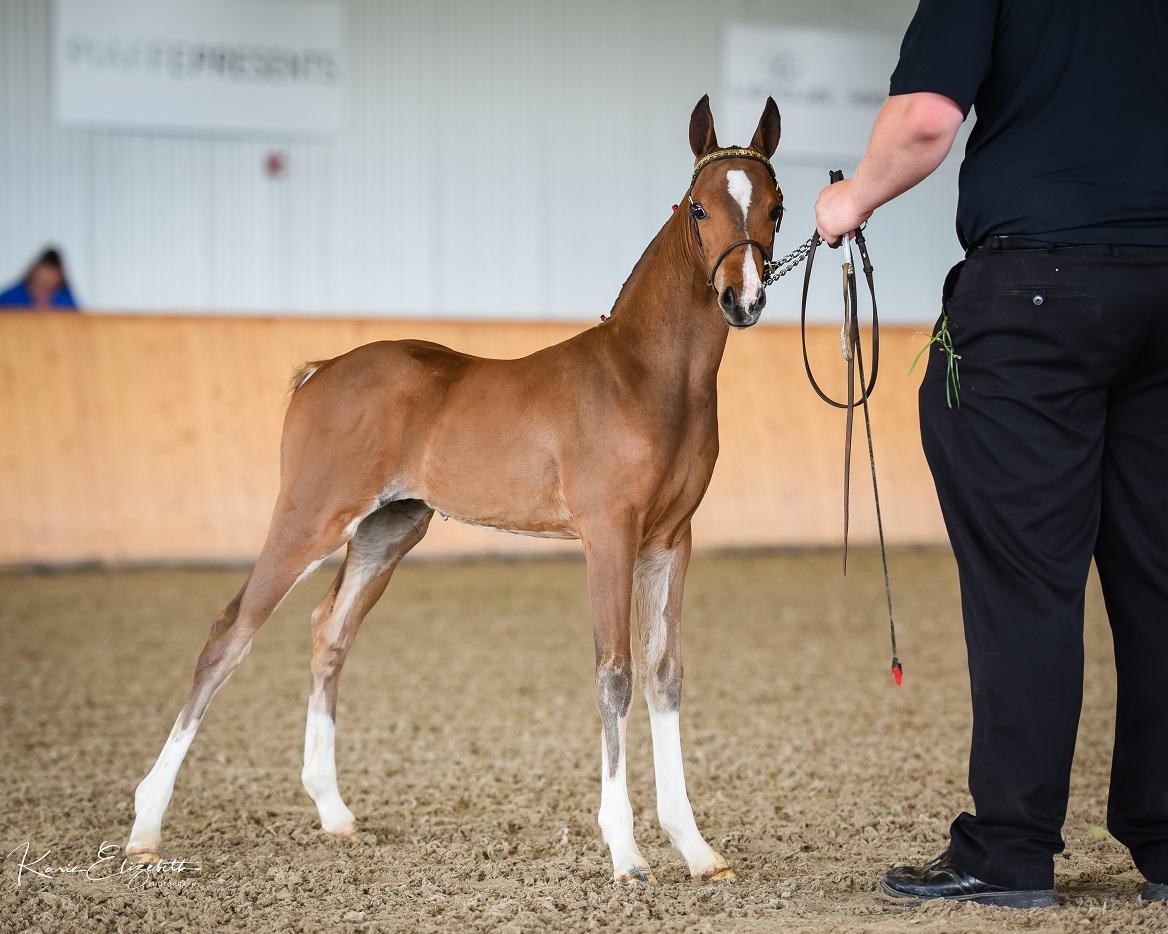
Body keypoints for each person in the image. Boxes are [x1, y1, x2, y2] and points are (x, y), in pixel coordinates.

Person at [815, 0, 1168, 909]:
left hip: (1039, 293)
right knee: (1160, 578)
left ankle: (1011, 850)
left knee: (1028, 581)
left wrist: (851, 198)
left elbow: (927, 118)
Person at [0, 247, 79, 310]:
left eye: (49, 288)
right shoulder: (9, 298)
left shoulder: (66, 301)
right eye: (40, 284)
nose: (42, 291)